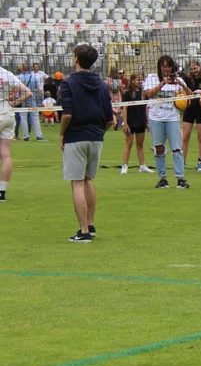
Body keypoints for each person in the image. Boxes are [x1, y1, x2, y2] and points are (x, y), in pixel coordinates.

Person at [59, 44, 114, 242]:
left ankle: (83, 231)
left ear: (75, 59)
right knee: (88, 179)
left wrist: (61, 134)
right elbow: (110, 120)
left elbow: (67, 114)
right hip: (96, 137)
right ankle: (90, 224)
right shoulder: (102, 85)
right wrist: (100, 133)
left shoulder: (68, 83)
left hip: (76, 135)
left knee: (77, 183)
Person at [144, 54, 192, 189]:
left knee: (177, 149)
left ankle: (180, 177)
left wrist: (181, 83)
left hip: (173, 118)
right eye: (163, 66)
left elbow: (191, 95)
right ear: (160, 67)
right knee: (159, 148)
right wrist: (163, 82)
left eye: (168, 66)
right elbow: (149, 94)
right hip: (156, 117)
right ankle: (162, 178)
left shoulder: (176, 80)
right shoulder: (152, 78)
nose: (166, 69)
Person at [0, 57, 32, 202]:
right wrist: (14, 103)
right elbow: (28, 92)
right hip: (7, 113)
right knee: (6, 155)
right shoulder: (7, 74)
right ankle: (2, 192)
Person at [121, 72, 152, 174]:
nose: (140, 81)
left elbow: (145, 108)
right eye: (138, 80)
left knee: (140, 145)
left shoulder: (143, 93)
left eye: (141, 80)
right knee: (128, 144)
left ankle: (142, 166)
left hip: (140, 121)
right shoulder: (127, 93)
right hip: (130, 122)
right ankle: (125, 166)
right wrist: (125, 123)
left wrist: (147, 122)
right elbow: (124, 108)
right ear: (133, 80)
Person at [180, 59, 201, 171]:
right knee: (185, 136)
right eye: (191, 69)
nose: (194, 71)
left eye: (195, 68)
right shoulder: (186, 79)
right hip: (189, 109)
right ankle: (182, 162)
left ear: (200, 67)